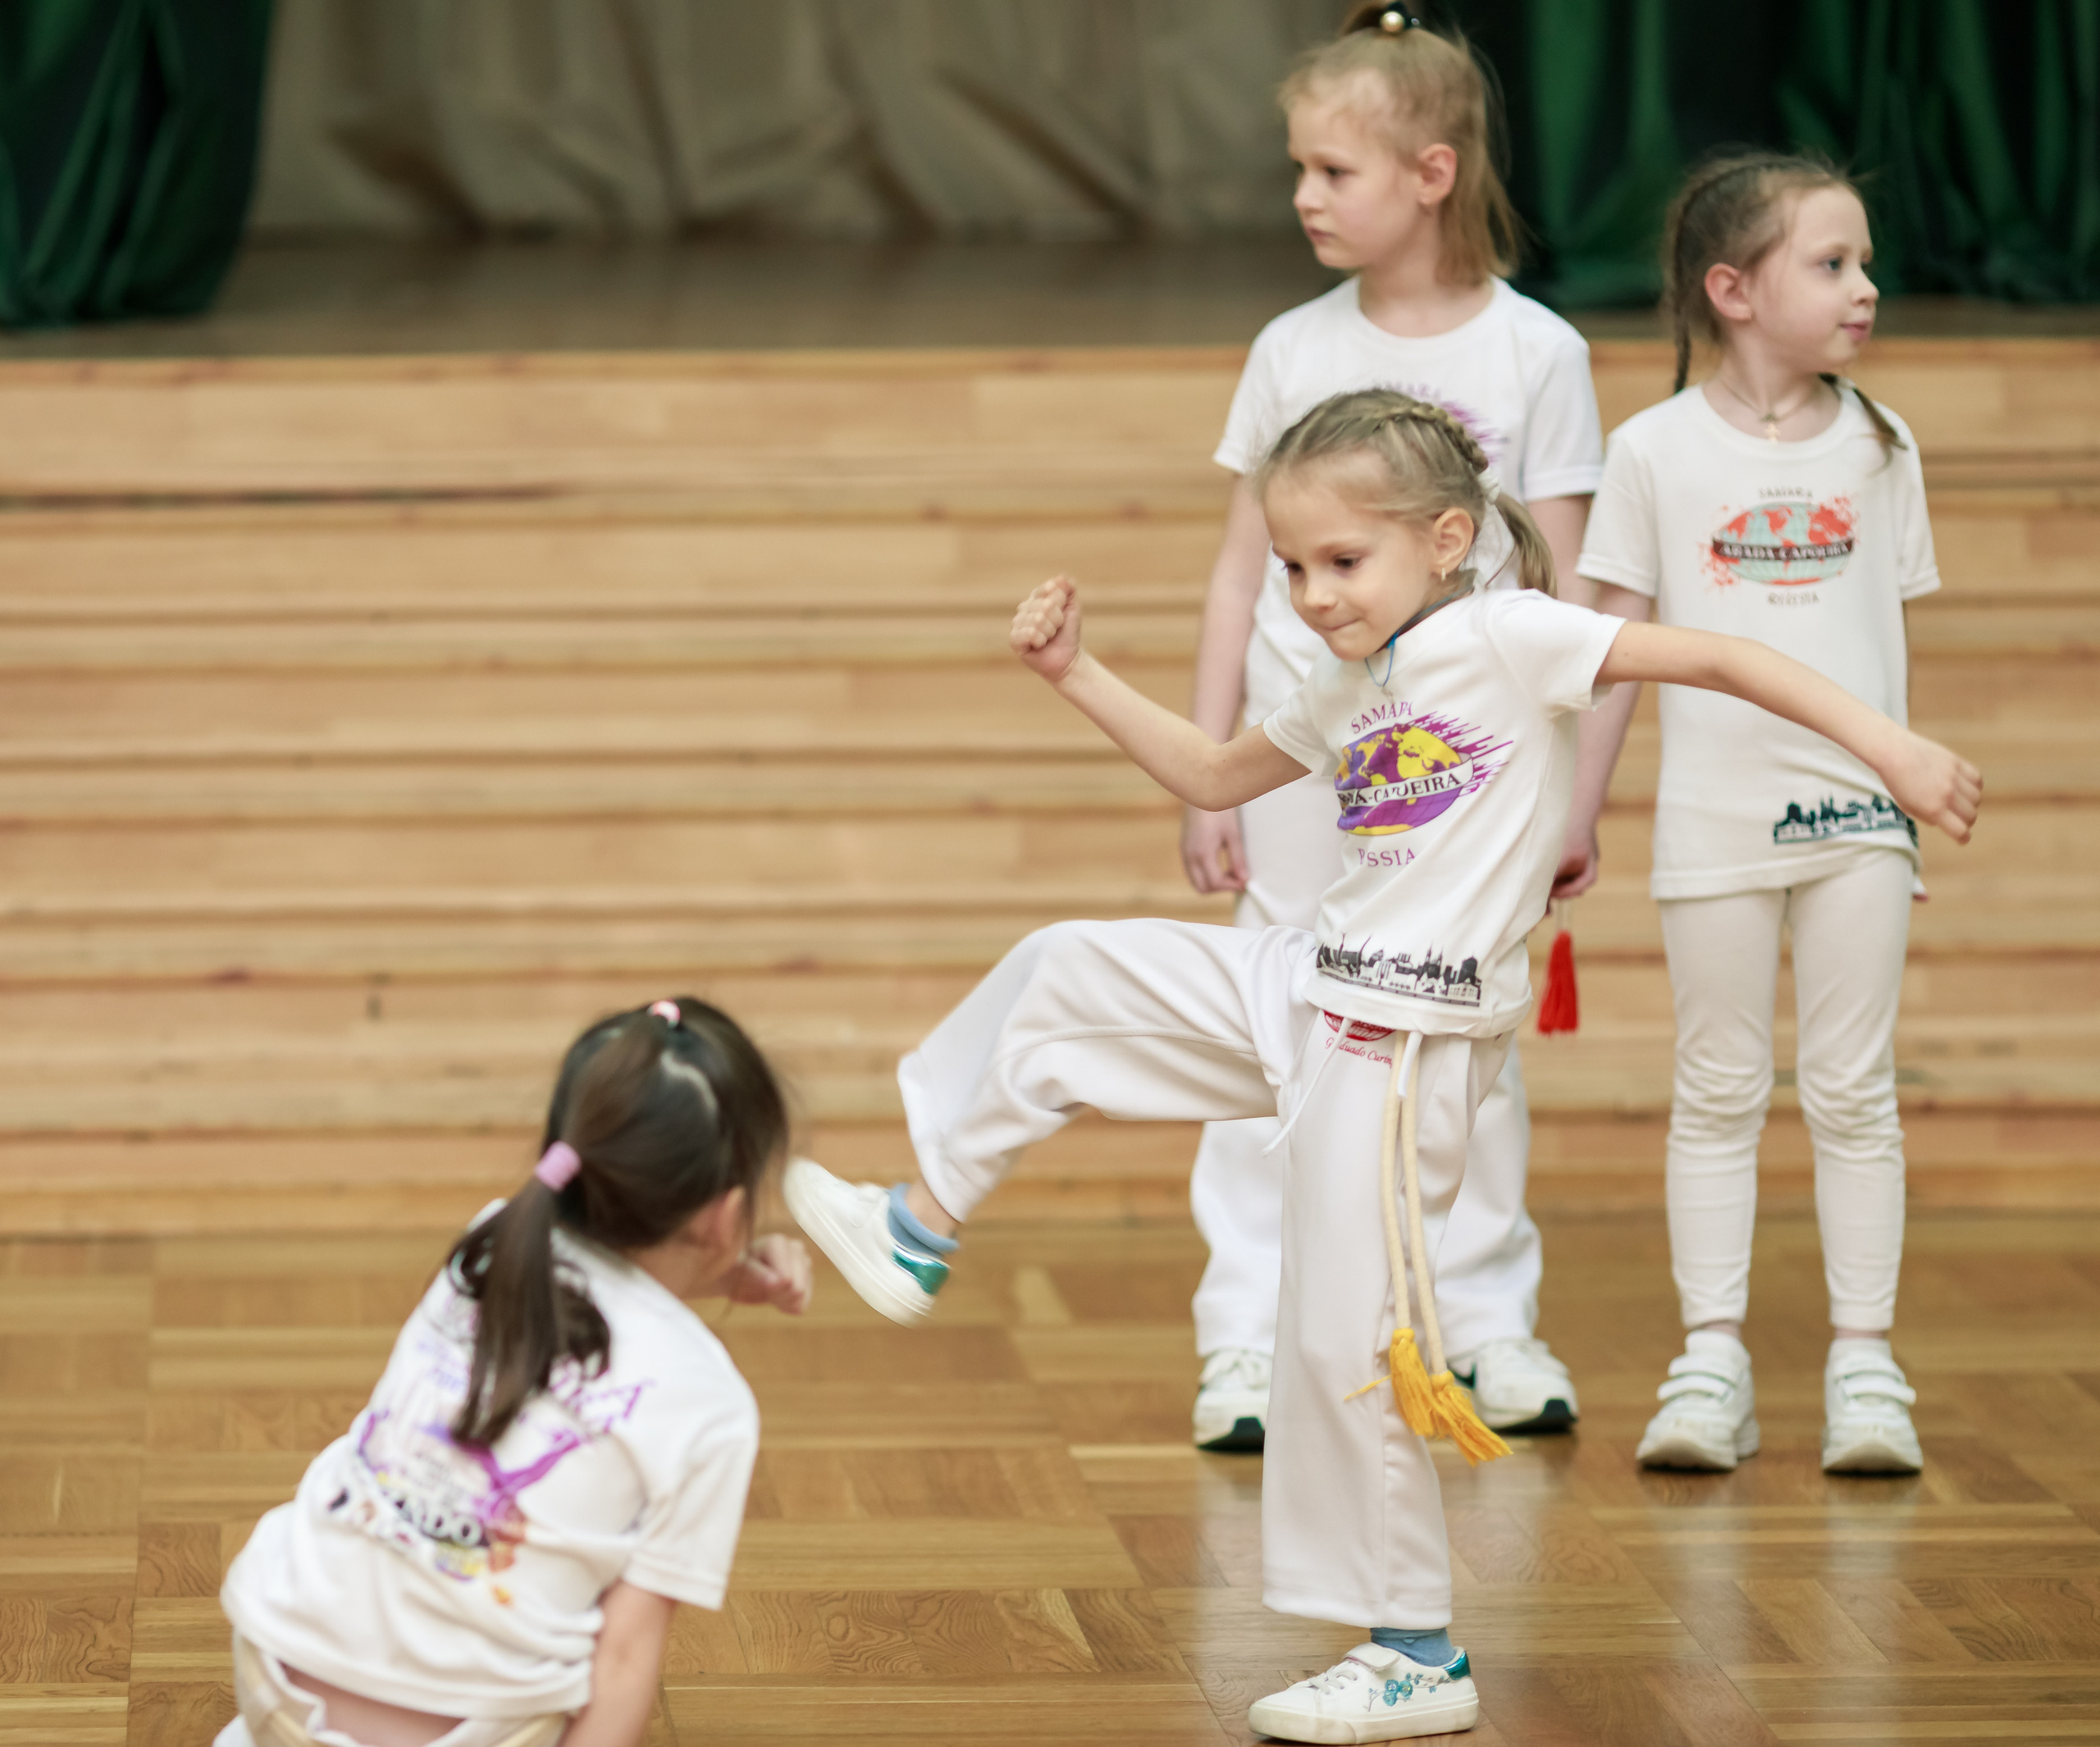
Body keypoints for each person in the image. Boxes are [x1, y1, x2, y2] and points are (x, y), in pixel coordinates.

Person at [783, 387, 1979, 1741]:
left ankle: (1416, 1653)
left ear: (1448, 538)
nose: (1309, 593)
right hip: (1308, 981)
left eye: (1341, 562)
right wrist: (1077, 676)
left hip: (1403, 1044)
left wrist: (1892, 751)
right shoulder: (1348, 680)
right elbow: (1215, 772)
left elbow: (1719, 661)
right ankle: (919, 1223)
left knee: (1346, 1339)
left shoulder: (1513, 634)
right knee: (1070, 969)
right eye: (1291, 566)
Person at [1181, 2, 1602, 1451]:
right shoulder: (1291, 348)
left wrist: (1583, 794)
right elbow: (1242, 574)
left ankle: (1482, 1321)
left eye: (1333, 171)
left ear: (1431, 173)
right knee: (1271, 1016)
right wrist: (1208, 779)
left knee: (1463, 1027)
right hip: (1308, 747)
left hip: (1471, 769)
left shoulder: (1538, 352)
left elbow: (1566, 590)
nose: (1303, 195)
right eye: (1296, 167)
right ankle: (1245, 1333)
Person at [1561, 151, 1955, 1476]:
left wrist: (1900, 778)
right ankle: (1708, 1364)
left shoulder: (1880, 445)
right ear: (1732, 289)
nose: (1867, 288)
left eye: (1864, 262)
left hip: (1856, 824)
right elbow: (1606, 649)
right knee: (1717, 1088)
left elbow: (1880, 647)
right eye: (1831, 264)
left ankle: (1865, 1368)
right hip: (1712, 826)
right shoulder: (1652, 452)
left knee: (1854, 1091)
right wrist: (1578, 812)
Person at [214, 999, 813, 1747]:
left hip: (272, 1653)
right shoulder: (713, 1405)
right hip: (451, 1732)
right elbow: (626, 1659)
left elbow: (607, 1291)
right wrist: (719, 1271)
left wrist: (721, 1276)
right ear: (726, 1215)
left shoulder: (494, 1242)